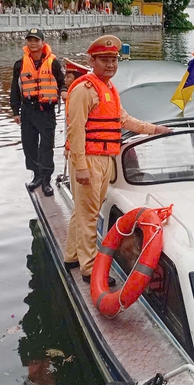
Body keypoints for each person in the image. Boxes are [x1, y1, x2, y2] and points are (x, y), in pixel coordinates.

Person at [65, 35, 171, 283]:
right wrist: (80, 167)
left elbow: (124, 120)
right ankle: (89, 269)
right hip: (89, 159)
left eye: (114, 60)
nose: (110, 65)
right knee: (90, 216)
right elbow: (76, 130)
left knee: (82, 212)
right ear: (92, 60)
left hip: (105, 158)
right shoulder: (84, 90)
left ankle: (71, 255)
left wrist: (155, 129)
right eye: (104, 60)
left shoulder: (109, 89)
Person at [10, 28, 66, 196]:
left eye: (36, 40)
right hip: (28, 110)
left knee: (46, 146)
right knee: (29, 144)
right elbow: (15, 88)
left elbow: (63, 82)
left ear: (43, 42)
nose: (33, 43)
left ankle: (47, 179)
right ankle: (37, 176)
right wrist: (15, 110)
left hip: (46, 110)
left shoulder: (54, 63)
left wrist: (64, 92)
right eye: (30, 40)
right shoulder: (20, 64)